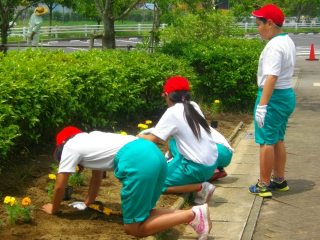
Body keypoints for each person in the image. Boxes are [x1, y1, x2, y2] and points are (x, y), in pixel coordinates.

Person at [42, 126, 212, 239]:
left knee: (133, 229)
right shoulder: (91, 139)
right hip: (154, 153)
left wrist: (54, 209)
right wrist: (89, 203)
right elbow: (97, 176)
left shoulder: (70, 147)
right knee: (144, 213)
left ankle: (191, 215)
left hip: (138, 161)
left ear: (61, 145)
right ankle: (197, 213)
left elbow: (60, 185)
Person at [139, 77, 233, 205]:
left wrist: (138, 136)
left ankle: (200, 187)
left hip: (197, 168)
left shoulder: (172, 112)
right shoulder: (193, 106)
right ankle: (178, 166)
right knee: (172, 143)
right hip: (212, 164)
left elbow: (152, 140)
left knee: (155, 183)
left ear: (167, 95)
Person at [248, 5, 296, 197]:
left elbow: (272, 77)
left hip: (273, 97)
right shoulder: (287, 40)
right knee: (278, 139)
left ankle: (264, 184)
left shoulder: (274, 46)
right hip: (286, 96)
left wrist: (262, 106)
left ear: (269, 23)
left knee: (266, 141)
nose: (257, 28)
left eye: (258, 24)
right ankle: (279, 180)